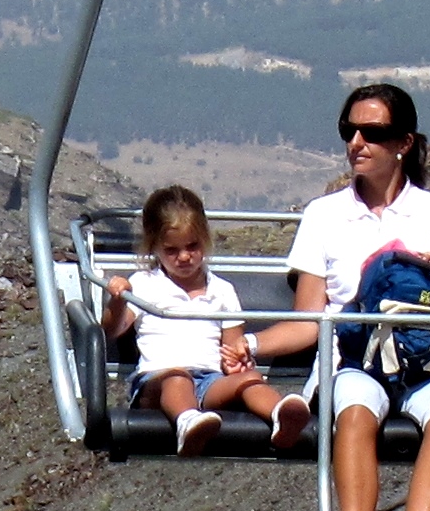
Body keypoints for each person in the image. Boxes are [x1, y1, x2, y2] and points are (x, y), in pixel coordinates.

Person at [286, 80, 430, 511]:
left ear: (404, 143)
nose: (357, 142)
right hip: (354, 355)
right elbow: (309, 317)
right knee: (353, 406)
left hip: (424, 357)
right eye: (349, 130)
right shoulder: (323, 215)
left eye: (372, 132)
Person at [125, 185, 308, 455]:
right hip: (158, 382)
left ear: (204, 240)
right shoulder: (142, 284)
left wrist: (237, 361)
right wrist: (119, 300)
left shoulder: (222, 290)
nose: (184, 257)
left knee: (250, 379)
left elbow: (232, 345)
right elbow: (113, 327)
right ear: (154, 246)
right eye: (172, 250)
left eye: (192, 246)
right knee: (178, 377)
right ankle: (186, 421)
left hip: (209, 380)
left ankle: (281, 415)